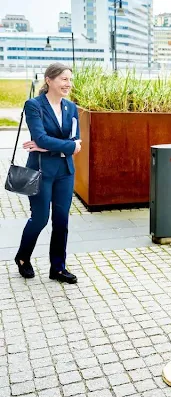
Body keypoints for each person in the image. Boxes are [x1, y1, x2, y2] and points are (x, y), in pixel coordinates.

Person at [15, 62, 81, 284]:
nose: (68, 84)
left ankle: (58, 268)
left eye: (69, 80)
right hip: (41, 170)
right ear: (49, 80)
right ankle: (23, 257)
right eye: (63, 79)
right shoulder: (34, 105)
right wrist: (63, 145)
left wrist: (49, 145)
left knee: (61, 221)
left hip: (65, 170)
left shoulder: (71, 108)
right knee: (40, 218)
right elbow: (41, 138)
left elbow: (75, 141)